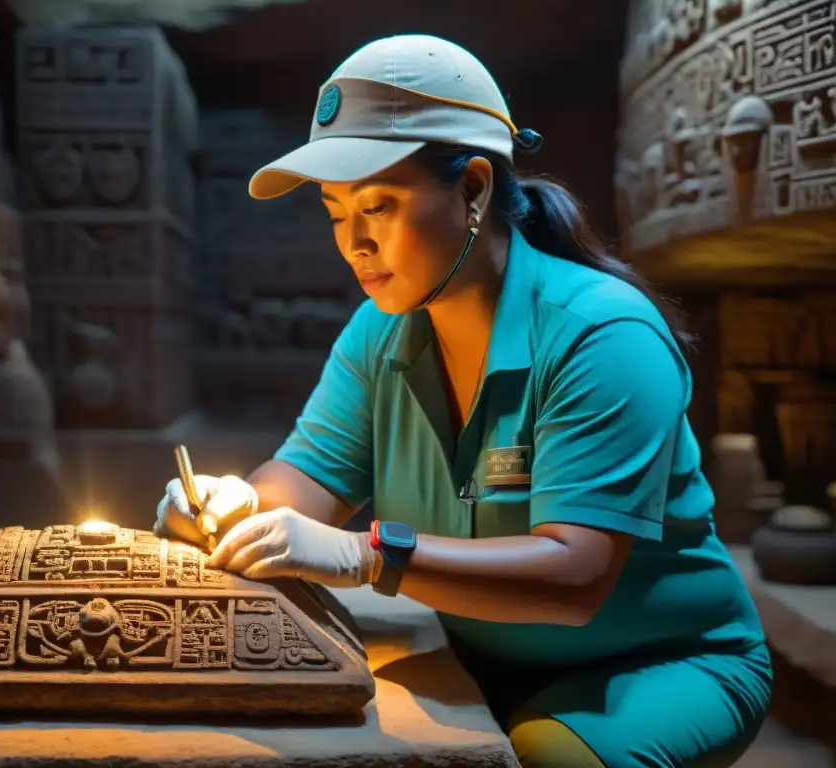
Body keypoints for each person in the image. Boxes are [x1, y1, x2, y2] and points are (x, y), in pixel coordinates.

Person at [156, 34, 772, 768]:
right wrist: (231, 508)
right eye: (334, 212)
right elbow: (305, 483)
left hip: (652, 665)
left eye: (379, 205)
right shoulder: (380, 333)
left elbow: (574, 576)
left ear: (474, 188)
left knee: (550, 757)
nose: (354, 243)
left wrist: (363, 554)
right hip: (480, 653)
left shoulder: (602, 334)